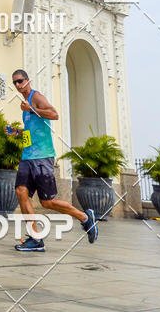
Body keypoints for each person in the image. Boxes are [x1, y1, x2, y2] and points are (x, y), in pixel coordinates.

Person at [9, 69, 98, 252]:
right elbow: (30, 132)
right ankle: (35, 239)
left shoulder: (36, 97)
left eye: (20, 81)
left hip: (42, 157)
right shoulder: (25, 106)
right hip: (28, 157)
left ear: (27, 80)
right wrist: (17, 132)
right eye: (15, 83)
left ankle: (85, 218)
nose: (17, 85)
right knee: (21, 192)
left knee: (47, 202)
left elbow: (54, 114)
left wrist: (32, 109)